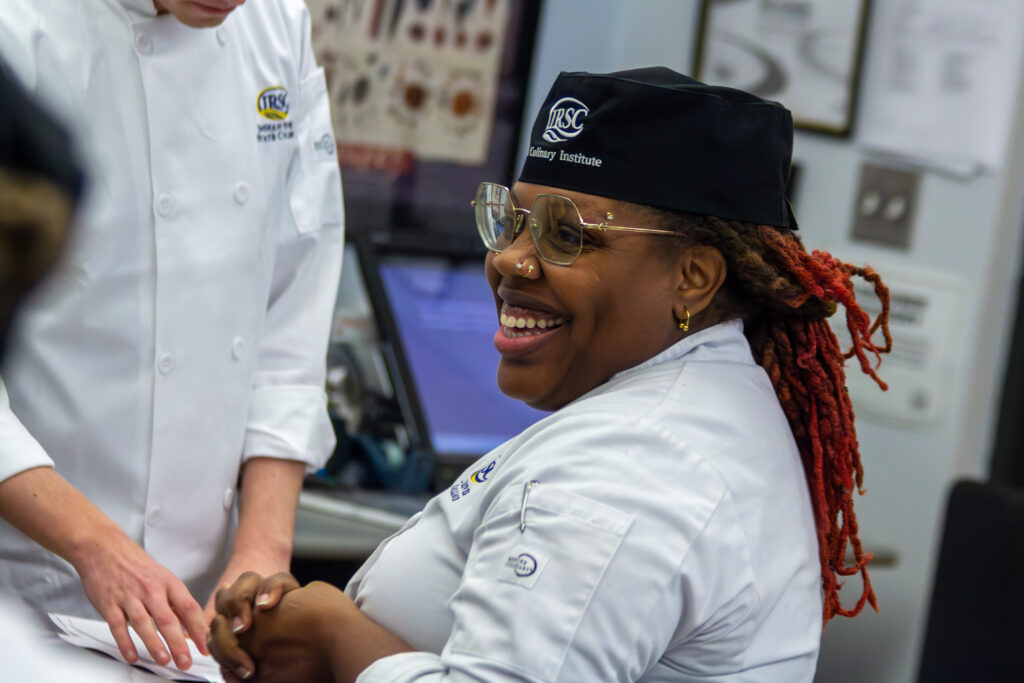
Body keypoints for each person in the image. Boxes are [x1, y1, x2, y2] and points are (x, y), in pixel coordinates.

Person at [208, 67, 891, 682]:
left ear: (694, 277)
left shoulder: (634, 467)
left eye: (568, 234)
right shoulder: (691, 410)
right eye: (512, 220)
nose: (511, 260)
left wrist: (332, 631)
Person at [0, 0, 344, 673]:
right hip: (20, 582)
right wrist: (93, 541)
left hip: (193, 612)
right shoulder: (18, 23)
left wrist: (261, 553)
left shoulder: (277, 24)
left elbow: (293, 308)